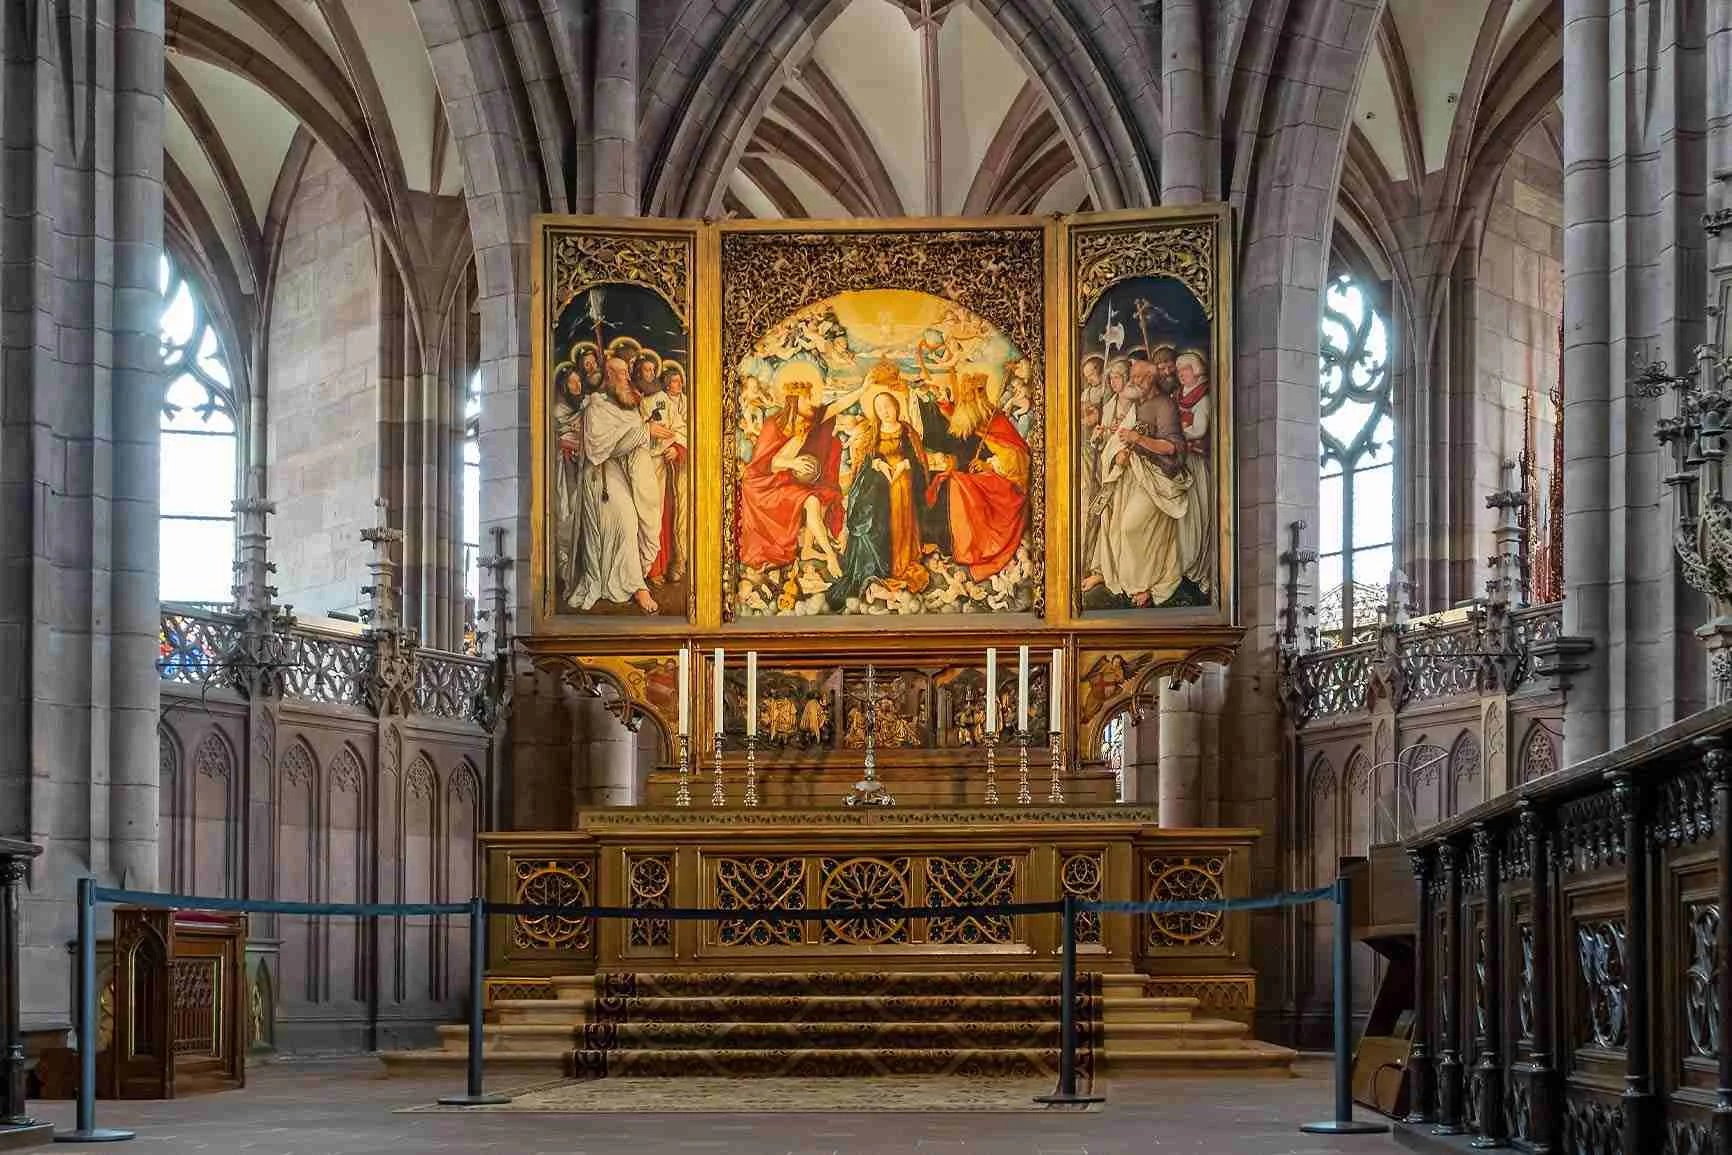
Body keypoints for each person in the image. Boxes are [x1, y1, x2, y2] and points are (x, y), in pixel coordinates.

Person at [567, 354, 676, 613]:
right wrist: (643, 432)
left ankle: (618, 581)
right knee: (626, 522)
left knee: (630, 523)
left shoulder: (622, 406)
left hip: (616, 473)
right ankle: (637, 587)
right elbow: (603, 447)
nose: (628, 377)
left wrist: (645, 430)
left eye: (628, 372)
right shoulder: (596, 407)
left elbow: (630, 438)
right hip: (599, 476)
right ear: (609, 377)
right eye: (622, 373)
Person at [738, 366, 862, 577]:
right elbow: (772, 463)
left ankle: (810, 550)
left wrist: (864, 388)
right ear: (794, 402)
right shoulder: (774, 424)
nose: (811, 403)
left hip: (784, 481)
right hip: (764, 486)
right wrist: (794, 463)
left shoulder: (805, 423)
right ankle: (829, 556)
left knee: (815, 499)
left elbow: (836, 406)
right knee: (812, 499)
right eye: (806, 399)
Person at [1087, 358, 1191, 606]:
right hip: (1132, 474)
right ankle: (1114, 576)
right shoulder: (1136, 404)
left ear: (1150, 379)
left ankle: (1145, 586)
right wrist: (1114, 443)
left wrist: (1136, 440)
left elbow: (1171, 447)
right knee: (1113, 523)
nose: (1132, 382)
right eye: (1131, 377)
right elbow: (1120, 438)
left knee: (1130, 527)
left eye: (1137, 378)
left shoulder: (1164, 405)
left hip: (1156, 479)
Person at [918, 371, 1029, 579]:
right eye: (966, 395)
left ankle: (961, 546)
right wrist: (942, 404)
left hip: (1001, 482)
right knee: (942, 481)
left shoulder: (995, 420)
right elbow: (959, 425)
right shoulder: (970, 415)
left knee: (957, 486)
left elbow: (1016, 458)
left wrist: (987, 466)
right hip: (973, 472)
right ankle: (941, 543)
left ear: (980, 395)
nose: (967, 400)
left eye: (971, 395)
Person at [827, 390, 929, 609]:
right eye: (880, 408)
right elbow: (867, 460)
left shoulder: (907, 431)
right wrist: (877, 464)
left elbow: (918, 459)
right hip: (880, 484)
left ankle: (902, 562)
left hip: (903, 481)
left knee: (901, 517)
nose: (885, 411)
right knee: (877, 517)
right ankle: (883, 564)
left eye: (888, 406)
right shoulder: (874, 431)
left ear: (896, 407)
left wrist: (904, 465)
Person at [1172, 348, 1214, 593]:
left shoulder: (1204, 398)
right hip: (1180, 461)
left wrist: (1176, 433)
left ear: (1195, 371)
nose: (1180, 375)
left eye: (1184, 370)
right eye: (1178, 372)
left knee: (1196, 513)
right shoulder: (1178, 396)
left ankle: (1196, 564)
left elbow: (1199, 429)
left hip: (1194, 464)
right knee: (1181, 516)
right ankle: (1183, 565)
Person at [552, 362, 586, 596]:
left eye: (579, 381)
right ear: (564, 385)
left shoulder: (582, 407)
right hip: (564, 472)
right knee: (566, 517)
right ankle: (565, 575)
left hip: (579, 468)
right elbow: (560, 438)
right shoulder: (558, 410)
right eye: (572, 382)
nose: (577, 386)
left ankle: (576, 575)